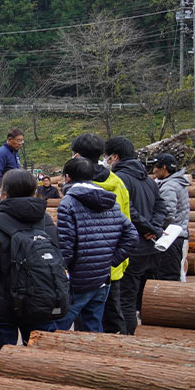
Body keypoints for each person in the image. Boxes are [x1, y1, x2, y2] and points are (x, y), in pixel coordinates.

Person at [0, 169, 61, 361]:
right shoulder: (45, 221)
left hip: (3, 306)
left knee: (4, 360)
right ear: (34, 191)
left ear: (4, 193)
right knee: (38, 361)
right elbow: (57, 258)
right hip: (40, 301)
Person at [55, 158, 138, 332]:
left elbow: (66, 249)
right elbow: (132, 236)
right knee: (93, 329)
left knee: (56, 327)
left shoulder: (68, 203)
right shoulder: (110, 201)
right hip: (102, 279)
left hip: (77, 281)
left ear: (67, 177)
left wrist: (61, 274)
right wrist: (110, 260)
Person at [70, 133, 133, 335]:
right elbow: (127, 226)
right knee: (113, 320)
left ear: (77, 155)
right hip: (111, 267)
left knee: (85, 324)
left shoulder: (76, 188)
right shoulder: (118, 182)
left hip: (83, 271)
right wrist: (116, 260)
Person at [104, 137, 165, 335]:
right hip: (151, 247)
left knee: (126, 302)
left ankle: (129, 341)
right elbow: (160, 206)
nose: (106, 160)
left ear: (115, 156)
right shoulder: (148, 179)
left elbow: (126, 209)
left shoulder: (118, 179)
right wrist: (154, 228)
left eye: (107, 156)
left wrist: (148, 228)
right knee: (145, 300)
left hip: (131, 249)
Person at [150, 153, 190, 281]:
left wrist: (155, 228)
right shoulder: (177, 183)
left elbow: (167, 213)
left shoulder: (169, 187)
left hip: (170, 237)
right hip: (179, 234)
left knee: (168, 275)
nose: (154, 170)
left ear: (164, 168)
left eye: (156, 167)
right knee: (177, 272)